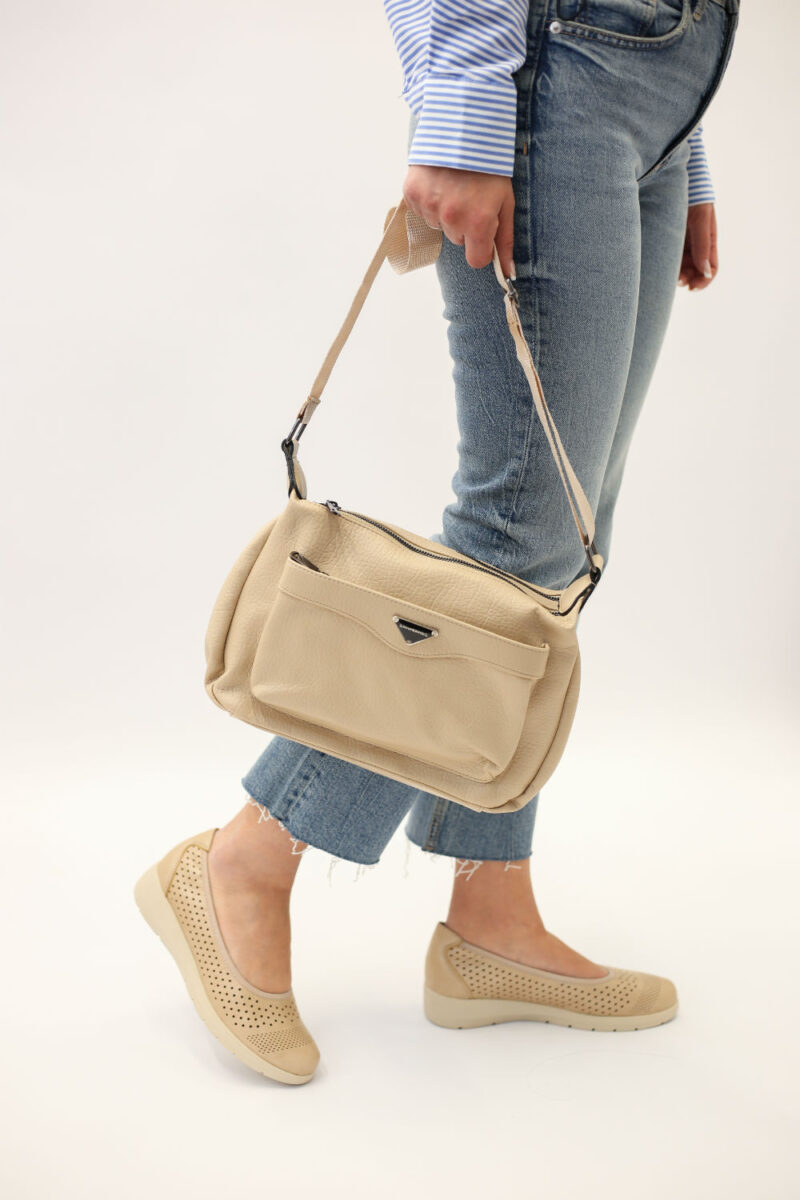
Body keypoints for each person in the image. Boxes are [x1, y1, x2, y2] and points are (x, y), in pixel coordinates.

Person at [134, 0, 739, 1086]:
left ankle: (489, 915)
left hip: (657, 90)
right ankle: (247, 856)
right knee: (513, 539)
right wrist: (462, 104)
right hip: (555, 72)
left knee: (563, 536)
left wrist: (684, 148)